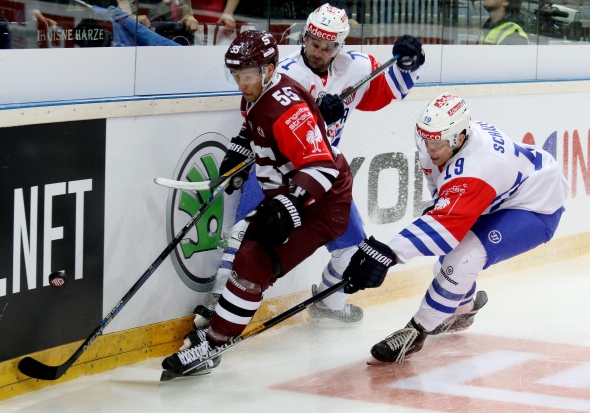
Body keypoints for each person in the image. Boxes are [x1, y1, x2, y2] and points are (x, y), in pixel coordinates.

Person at [191, 3, 425, 328]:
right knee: (246, 229)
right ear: (306, 37)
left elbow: (393, 89)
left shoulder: (355, 68)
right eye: (314, 43)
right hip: (277, 166)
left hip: (320, 177)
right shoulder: (282, 71)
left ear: (339, 46)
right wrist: (313, 109)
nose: (319, 51)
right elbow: (253, 112)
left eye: (328, 47)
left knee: (352, 249)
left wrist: (410, 63)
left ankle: (329, 303)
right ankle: (218, 300)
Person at [161, 30, 354, 377]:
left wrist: (289, 204)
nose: (241, 83)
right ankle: (224, 320)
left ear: (268, 69)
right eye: (236, 75)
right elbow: (254, 129)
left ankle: (213, 345)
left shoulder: (288, 108)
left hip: (322, 202)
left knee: (253, 261)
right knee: (247, 252)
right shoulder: (258, 94)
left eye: (246, 76)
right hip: (295, 193)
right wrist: (240, 148)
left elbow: (321, 166)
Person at [339, 92, 569, 364]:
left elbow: (444, 229)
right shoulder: (441, 145)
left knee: (464, 258)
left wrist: (387, 253)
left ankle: (416, 332)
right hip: (501, 196)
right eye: (425, 140)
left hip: (538, 206)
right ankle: (464, 310)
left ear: (460, 138)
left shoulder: (479, 166)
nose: (430, 150)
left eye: (437, 143)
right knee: (449, 260)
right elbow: (444, 204)